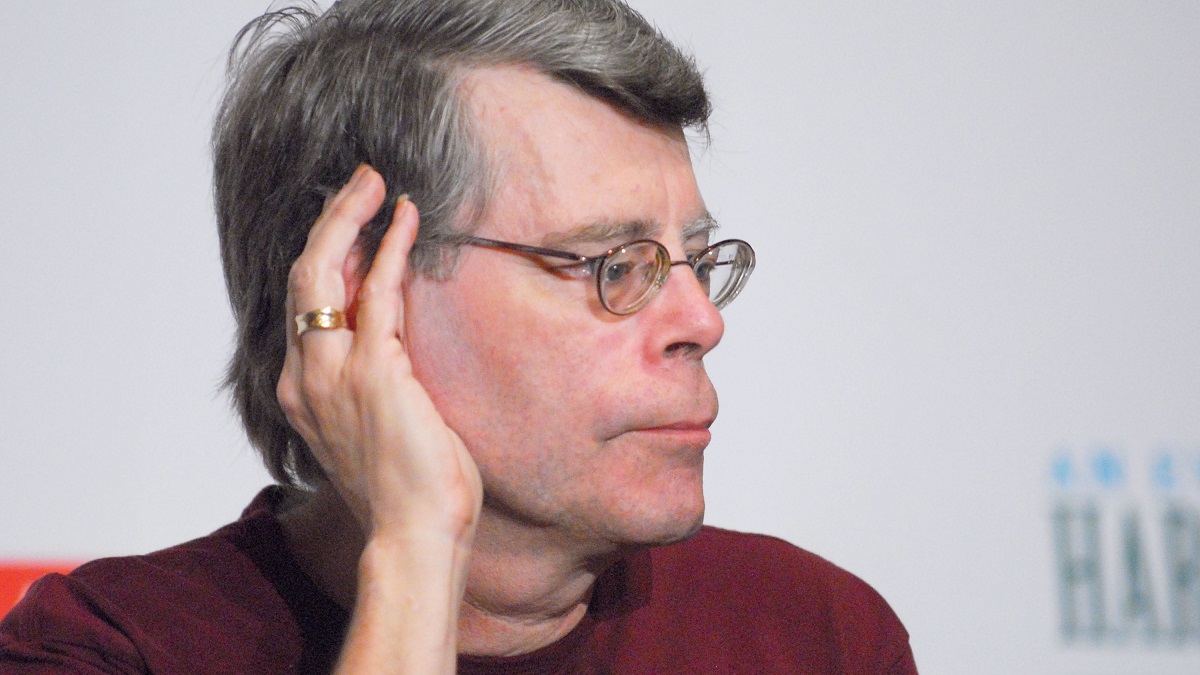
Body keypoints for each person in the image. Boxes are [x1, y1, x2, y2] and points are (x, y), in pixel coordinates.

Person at [0, 0, 917, 672]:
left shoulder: (814, 634)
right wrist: (413, 553)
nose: (702, 322)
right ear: (365, 299)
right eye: (612, 263)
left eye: (697, 258)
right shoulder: (111, 648)